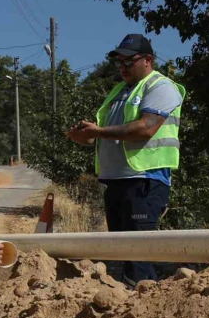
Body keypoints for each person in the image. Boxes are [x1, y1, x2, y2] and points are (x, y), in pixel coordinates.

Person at [66, 34, 186, 286]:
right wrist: (86, 137)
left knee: (138, 256)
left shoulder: (161, 87)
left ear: (148, 60)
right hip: (118, 181)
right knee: (122, 254)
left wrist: (97, 132)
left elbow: (145, 128)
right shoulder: (120, 90)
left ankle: (143, 307)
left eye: (128, 62)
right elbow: (109, 132)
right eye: (118, 63)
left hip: (144, 181)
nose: (122, 68)